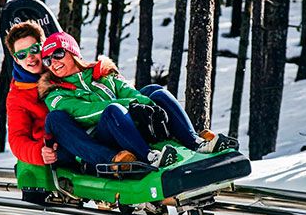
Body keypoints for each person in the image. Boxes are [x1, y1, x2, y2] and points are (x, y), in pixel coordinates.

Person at [38, 32, 236, 169]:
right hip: (101, 138)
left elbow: (127, 91)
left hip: (126, 128)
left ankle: (196, 142)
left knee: (156, 92)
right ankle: (148, 156)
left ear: (72, 51)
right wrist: (130, 107)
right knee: (113, 110)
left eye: (58, 54)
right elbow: (83, 112)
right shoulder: (54, 93)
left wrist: (147, 106)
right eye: (48, 61)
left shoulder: (101, 74)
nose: (54, 63)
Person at [4, 21, 126, 182]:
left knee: (151, 92)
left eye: (34, 49)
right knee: (56, 118)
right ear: (16, 59)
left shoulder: (62, 68)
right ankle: (112, 162)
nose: (30, 57)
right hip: (61, 146)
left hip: (93, 129)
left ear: (43, 47)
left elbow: (88, 80)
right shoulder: (18, 96)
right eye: (22, 54)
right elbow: (17, 139)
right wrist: (39, 151)